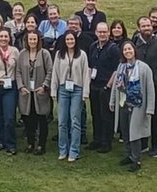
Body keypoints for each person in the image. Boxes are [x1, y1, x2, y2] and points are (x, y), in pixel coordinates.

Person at [109, 39, 155, 173]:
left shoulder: (144, 68)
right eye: (125, 50)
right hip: (123, 103)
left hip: (138, 105)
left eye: (130, 49)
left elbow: (150, 89)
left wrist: (150, 108)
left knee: (135, 132)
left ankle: (137, 159)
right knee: (125, 131)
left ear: (134, 51)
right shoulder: (121, 67)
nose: (128, 51)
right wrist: (112, 101)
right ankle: (128, 155)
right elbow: (115, 87)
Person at [52, 30, 91, 162]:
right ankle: (63, 149)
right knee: (62, 121)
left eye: (72, 39)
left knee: (75, 120)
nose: (70, 42)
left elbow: (86, 74)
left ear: (76, 40)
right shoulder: (59, 55)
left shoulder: (82, 55)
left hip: (77, 89)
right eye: (67, 39)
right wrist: (53, 90)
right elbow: (55, 74)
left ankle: (74, 151)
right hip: (63, 89)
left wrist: (85, 92)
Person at [132, 15, 157, 158]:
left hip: (154, 85)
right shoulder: (136, 41)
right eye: (144, 26)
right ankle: (143, 143)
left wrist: (154, 80)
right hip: (138, 85)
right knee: (140, 115)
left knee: (154, 116)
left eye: (148, 26)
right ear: (139, 28)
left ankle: (156, 145)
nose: (147, 28)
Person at [15, 29, 52, 155]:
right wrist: (21, 86)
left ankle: (41, 145)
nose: (32, 41)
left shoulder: (44, 54)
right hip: (26, 93)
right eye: (30, 39)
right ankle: (30, 143)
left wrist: (44, 86)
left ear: (38, 40)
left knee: (41, 119)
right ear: (26, 40)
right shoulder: (22, 54)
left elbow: (50, 72)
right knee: (28, 119)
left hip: (40, 92)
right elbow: (18, 72)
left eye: (34, 39)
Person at [89, 21, 122, 153]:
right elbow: (91, 66)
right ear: (96, 33)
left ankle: (106, 142)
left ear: (108, 33)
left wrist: (108, 86)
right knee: (95, 113)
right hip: (94, 85)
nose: (102, 34)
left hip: (106, 86)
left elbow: (116, 69)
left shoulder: (113, 48)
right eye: (99, 32)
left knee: (106, 116)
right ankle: (96, 139)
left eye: (104, 32)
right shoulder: (93, 46)